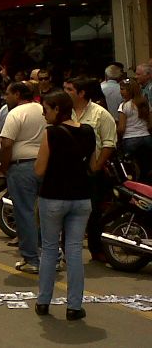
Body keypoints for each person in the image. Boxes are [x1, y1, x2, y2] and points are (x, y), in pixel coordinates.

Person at [33, 91, 95, 321]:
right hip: (81, 197)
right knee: (75, 250)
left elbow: (39, 170)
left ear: (58, 109)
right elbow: (93, 163)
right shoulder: (88, 131)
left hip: (53, 196)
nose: (43, 113)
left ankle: (43, 301)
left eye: (46, 109)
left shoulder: (52, 133)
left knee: (50, 249)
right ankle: (74, 306)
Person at [65, 77, 118, 262]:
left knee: (93, 211)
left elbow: (109, 143)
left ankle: (96, 249)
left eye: (70, 90)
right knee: (67, 211)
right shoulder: (63, 113)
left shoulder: (100, 114)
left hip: (91, 170)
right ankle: (66, 251)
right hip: (68, 170)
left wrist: (96, 167)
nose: (66, 93)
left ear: (81, 93)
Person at [0, 81, 46, 273]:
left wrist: (4, 165)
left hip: (22, 167)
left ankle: (31, 258)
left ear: (17, 94)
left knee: (25, 213)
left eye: (8, 94)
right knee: (45, 212)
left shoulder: (16, 113)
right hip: (45, 163)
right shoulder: (43, 109)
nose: (5, 97)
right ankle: (53, 255)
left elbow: (7, 143)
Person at [118, 78, 152, 179]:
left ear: (129, 90)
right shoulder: (145, 103)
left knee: (133, 170)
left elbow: (121, 128)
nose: (120, 91)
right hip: (147, 138)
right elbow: (150, 124)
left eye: (122, 89)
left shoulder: (124, 106)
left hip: (130, 139)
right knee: (147, 167)